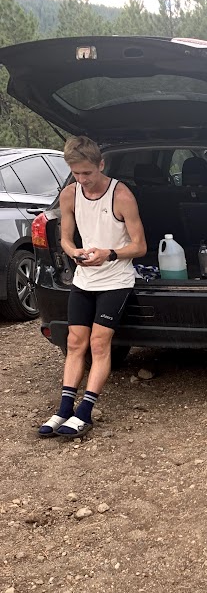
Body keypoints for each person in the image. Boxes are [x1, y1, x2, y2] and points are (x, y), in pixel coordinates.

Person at [38, 136, 146, 439]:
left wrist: (108, 253)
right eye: (76, 174)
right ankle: (63, 409)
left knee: (99, 343)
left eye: (88, 173)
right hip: (85, 279)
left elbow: (140, 246)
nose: (83, 180)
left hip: (116, 279)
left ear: (101, 164)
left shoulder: (121, 195)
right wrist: (74, 252)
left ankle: (85, 411)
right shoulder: (70, 195)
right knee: (75, 342)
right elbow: (66, 239)